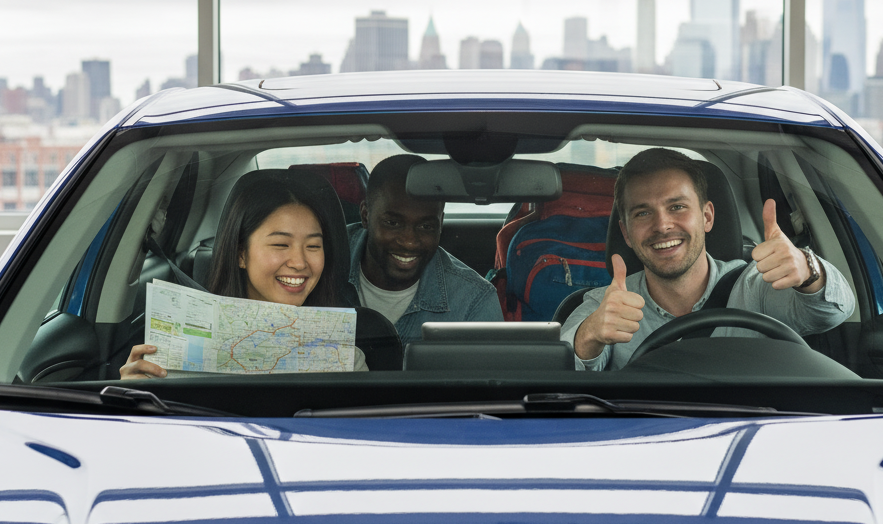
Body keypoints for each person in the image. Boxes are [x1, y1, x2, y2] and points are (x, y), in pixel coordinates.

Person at [562, 148, 855, 370]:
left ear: (707, 217)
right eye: (643, 213)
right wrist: (591, 336)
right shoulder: (607, 304)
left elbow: (835, 311)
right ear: (625, 233)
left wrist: (808, 269)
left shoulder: (757, 286)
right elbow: (561, 364)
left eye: (676, 206)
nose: (662, 225)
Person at [122, 169, 368, 377]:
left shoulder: (344, 358)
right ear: (241, 254)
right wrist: (134, 397)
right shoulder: (178, 348)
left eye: (313, 246)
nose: (300, 262)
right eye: (281, 244)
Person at [347, 153, 503, 342]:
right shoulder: (317, 264)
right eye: (393, 223)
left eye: (426, 226)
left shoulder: (473, 301)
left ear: (441, 223)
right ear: (365, 215)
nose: (409, 241)